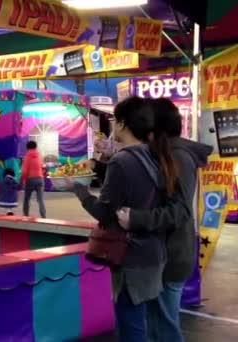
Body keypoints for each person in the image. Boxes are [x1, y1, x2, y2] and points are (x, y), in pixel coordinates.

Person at [70, 96, 176, 341]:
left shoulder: (123, 161)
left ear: (124, 124)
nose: (113, 127)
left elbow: (105, 214)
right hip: (154, 252)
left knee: (131, 328)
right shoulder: (154, 156)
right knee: (146, 324)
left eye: (115, 121)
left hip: (131, 257)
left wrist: (78, 189)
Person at [117, 98, 212, 342]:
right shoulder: (164, 154)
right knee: (157, 326)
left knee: (163, 329)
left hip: (172, 256)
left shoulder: (178, 157)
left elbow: (180, 211)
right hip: (162, 254)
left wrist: (136, 219)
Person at [21, 141, 46, 218]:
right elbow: (43, 167)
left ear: (27, 147)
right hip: (40, 179)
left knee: (26, 199)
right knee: (41, 199)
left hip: (30, 179)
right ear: (36, 147)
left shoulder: (27, 156)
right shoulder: (39, 155)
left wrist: (22, 180)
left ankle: (26, 215)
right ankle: (43, 216)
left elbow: (25, 171)